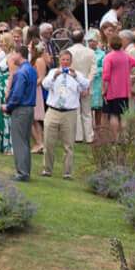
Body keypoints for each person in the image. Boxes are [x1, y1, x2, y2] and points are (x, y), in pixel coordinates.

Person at [41, 47, 86, 179]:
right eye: (63, 59)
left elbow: (85, 85)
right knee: (49, 143)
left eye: (67, 60)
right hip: (53, 111)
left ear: (71, 61)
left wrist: (76, 77)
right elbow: (45, 84)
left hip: (69, 113)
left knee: (68, 144)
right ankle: (47, 170)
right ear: (59, 60)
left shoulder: (76, 74)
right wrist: (55, 76)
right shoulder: (53, 72)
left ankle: (67, 172)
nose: (65, 62)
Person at [2, 44, 39, 181]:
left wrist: (8, 106)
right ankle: (24, 171)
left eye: (13, 54)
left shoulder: (20, 72)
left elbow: (17, 94)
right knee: (24, 140)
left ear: (19, 54)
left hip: (21, 109)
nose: (12, 57)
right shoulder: (31, 70)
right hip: (29, 108)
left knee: (19, 141)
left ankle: (22, 173)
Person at [99, 29, 133, 139]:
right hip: (125, 90)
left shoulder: (108, 57)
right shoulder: (125, 55)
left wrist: (104, 90)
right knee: (122, 115)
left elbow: (106, 76)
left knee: (113, 115)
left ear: (110, 44)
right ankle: (125, 136)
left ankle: (115, 138)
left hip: (112, 91)